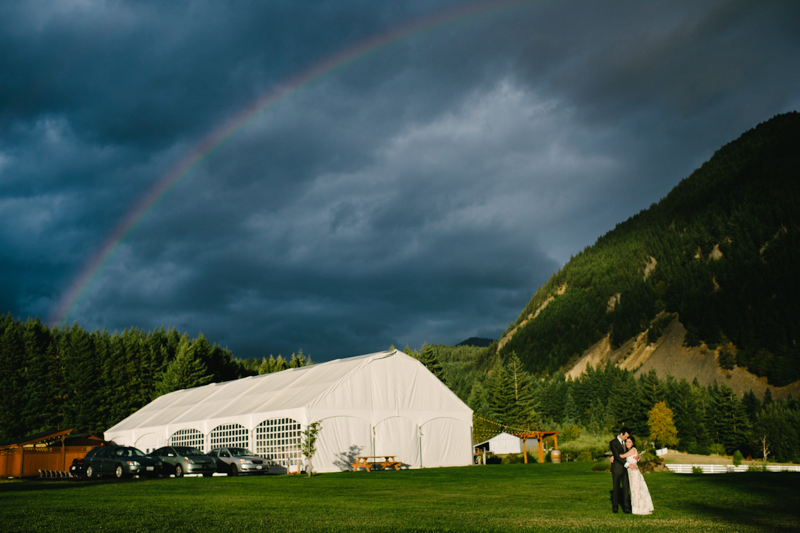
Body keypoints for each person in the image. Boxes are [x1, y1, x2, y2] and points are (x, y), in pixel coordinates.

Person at [619, 436, 654, 515]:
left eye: (629, 442)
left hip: (634, 472)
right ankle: (639, 507)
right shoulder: (631, 450)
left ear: (633, 443)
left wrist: (614, 455)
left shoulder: (632, 450)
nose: (627, 443)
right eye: (626, 442)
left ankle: (640, 509)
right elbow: (633, 457)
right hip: (631, 472)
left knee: (636, 490)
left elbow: (622, 456)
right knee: (636, 490)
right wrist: (638, 458)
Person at [609, 427, 631, 514]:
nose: (626, 439)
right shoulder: (613, 442)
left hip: (625, 470)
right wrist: (626, 464)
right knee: (616, 488)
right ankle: (615, 507)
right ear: (621, 434)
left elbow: (632, 451)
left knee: (626, 488)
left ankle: (626, 508)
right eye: (625, 436)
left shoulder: (627, 442)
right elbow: (617, 456)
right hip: (617, 469)